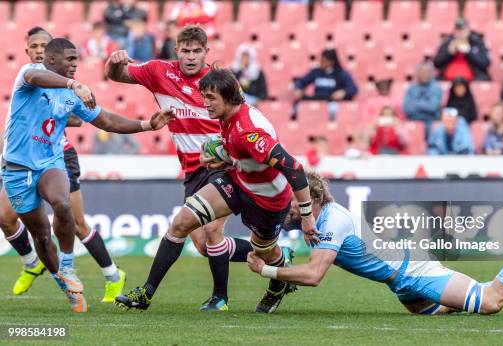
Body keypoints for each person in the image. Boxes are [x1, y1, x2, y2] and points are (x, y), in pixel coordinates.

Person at [247, 171, 503, 315]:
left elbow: (313, 276)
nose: (288, 204)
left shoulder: (333, 220)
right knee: (439, 312)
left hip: (412, 271)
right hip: (399, 282)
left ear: (314, 197)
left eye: (293, 199)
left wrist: (267, 270)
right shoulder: (323, 219)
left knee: (490, 301)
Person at [115, 68, 318, 314]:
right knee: (182, 222)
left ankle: (277, 283)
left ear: (229, 97)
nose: (205, 103)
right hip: (238, 182)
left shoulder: (249, 131)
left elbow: (294, 168)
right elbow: (247, 158)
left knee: (266, 253)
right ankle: (146, 293)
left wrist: (307, 217)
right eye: (204, 96)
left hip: (268, 201)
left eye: (211, 98)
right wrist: (227, 160)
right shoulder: (228, 118)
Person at [2, 37, 174, 312]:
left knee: (62, 202)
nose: (74, 65)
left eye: (76, 60)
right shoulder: (29, 73)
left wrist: (146, 125)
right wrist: (73, 83)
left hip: (50, 162)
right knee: (42, 236)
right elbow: (36, 76)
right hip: (17, 169)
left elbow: (105, 120)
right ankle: (63, 282)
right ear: (51, 59)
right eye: (69, 59)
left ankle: (68, 266)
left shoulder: (72, 96)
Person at [105, 25, 256, 311]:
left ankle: (216, 298)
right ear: (176, 51)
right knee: (203, 244)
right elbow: (117, 76)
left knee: (211, 230)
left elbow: (243, 116)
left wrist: (235, 153)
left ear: (206, 53)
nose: (190, 56)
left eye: (196, 51)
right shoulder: (158, 72)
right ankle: (274, 254)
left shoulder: (220, 81)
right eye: (185, 50)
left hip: (223, 167)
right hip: (192, 171)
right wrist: (113, 63)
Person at [1, 27, 127, 303]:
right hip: (20, 161)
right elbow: (36, 90)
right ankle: (38, 265)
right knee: (15, 221)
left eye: (43, 45)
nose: (38, 50)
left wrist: (144, 125)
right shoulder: (29, 75)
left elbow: (87, 119)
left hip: (57, 155)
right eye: (34, 45)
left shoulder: (64, 86)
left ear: (51, 54)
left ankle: (110, 274)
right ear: (30, 51)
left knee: (71, 215)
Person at [292, 48, 358, 121]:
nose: (321, 62)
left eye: (324, 61)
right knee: (298, 107)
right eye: (321, 60)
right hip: (317, 99)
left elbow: (353, 88)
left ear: (331, 62)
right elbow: (301, 81)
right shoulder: (315, 72)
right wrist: (297, 88)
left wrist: (344, 92)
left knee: (333, 109)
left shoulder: (341, 73)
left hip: (332, 101)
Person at [403, 62, 442, 132]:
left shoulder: (436, 88)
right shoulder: (411, 89)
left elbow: (433, 107)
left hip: (431, 121)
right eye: (421, 72)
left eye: (426, 72)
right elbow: (407, 108)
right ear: (417, 73)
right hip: (413, 120)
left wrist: (415, 103)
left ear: (430, 73)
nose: (424, 74)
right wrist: (426, 104)